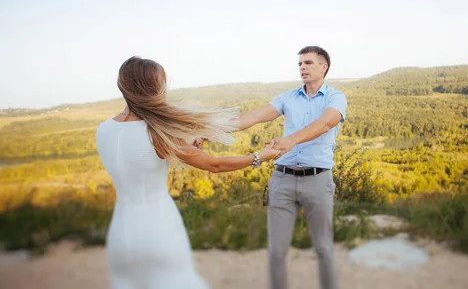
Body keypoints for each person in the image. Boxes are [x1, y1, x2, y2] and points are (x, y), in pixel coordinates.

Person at [95, 56, 280, 289]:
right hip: (158, 229)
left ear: (122, 86)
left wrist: (185, 144)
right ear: (154, 88)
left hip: (121, 234)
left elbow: (138, 159)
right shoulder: (159, 133)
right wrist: (259, 157)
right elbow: (214, 165)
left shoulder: (104, 130)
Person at [233, 46, 347, 289]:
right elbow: (253, 117)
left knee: (324, 247)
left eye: (308, 63)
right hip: (282, 180)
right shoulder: (287, 98)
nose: (302, 68)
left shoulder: (335, 97)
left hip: (318, 180)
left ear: (323, 67)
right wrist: (212, 130)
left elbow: (325, 123)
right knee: (276, 250)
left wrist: (290, 140)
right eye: (300, 64)